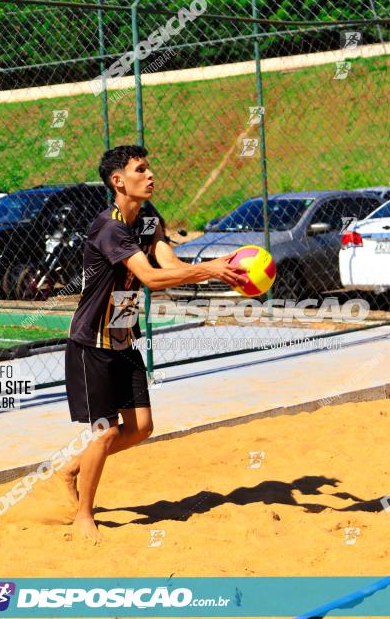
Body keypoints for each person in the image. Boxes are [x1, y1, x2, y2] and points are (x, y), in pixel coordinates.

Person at [59, 144, 248, 542]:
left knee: (142, 427)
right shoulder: (109, 227)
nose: (150, 175)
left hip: (123, 335)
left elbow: (172, 267)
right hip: (92, 344)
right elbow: (152, 279)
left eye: (148, 168)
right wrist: (209, 271)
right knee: (106, 432)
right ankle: (83, 515)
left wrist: (216, 268)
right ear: (117, 180)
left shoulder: (146, 219)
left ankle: (72, 468)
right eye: (140, 170)